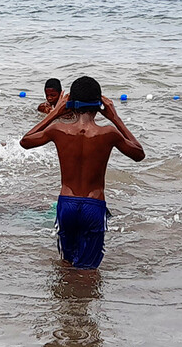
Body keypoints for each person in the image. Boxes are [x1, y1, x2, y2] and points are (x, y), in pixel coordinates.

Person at [19, 76, 146, 269]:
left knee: (66, 262)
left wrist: (54, 114)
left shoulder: (58, 129)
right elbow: (139, 154)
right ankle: (85, 298)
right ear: (100, 105)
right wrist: (115, 117)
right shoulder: (108, 133)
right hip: (94, 204)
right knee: (89, 269)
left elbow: (26, 141)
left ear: (70, 105)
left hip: (66, 202)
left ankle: (65, 298)